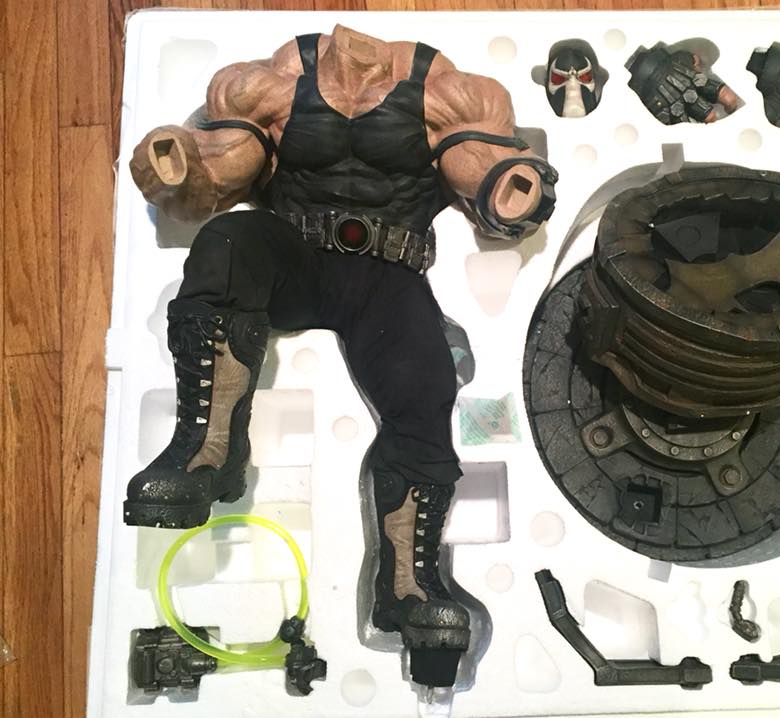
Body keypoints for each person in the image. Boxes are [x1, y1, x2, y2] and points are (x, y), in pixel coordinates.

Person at [124, 25, 557, 687]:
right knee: (229, 243)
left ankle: (408, 589)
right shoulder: (264, 85)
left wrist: (514, 189)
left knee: (423, 392)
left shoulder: (455, 95)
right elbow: (216, 175)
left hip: (389, 273)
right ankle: (207, 454)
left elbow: (491, 188)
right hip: (293, 258)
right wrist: (176, 165)